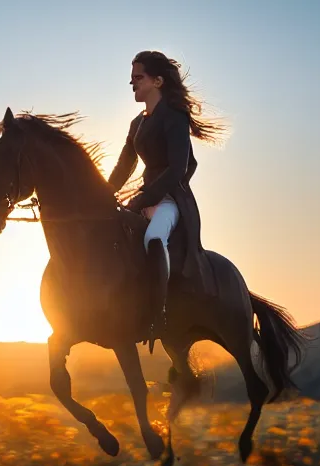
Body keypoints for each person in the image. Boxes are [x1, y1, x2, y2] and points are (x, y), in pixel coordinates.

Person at [108, 50, 227, 351]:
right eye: (131, 78)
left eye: (138, 77)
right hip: (144, 197)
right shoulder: (137, 123)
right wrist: (103, 193)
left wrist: (146, 198)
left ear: (158, 81)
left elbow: (179, 167)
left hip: (171, 199)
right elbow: (124, 166)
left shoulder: (174, 117)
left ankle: (157, 315)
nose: (132, 83)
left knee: (153, 238)